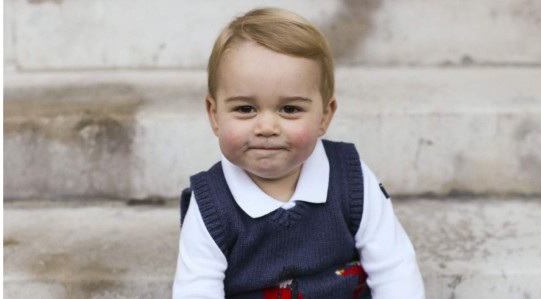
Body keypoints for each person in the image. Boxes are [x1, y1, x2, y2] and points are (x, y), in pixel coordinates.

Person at [172, 7, 425, 299]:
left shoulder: (350, 180)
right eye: (245, 109)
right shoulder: (211, 204)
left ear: (324, 116)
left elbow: (394, 267)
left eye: (289, 109)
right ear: (214, 115)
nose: (266, 127)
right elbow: (197, 289)